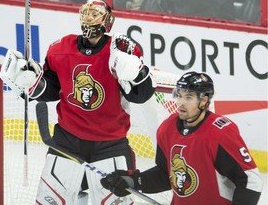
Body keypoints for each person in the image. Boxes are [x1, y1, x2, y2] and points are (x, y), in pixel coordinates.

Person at [0, 0, 155, 204]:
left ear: (107, 20)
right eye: (86, 13)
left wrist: (135, 71)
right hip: (67, 142)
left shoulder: (119, 51)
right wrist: (30, 82)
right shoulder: (61, 48)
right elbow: (51, 90)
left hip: (110, 145)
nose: (89, 18)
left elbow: (141, 95)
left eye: (95, 14)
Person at [101, 71, 264, 205]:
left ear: (204, 101)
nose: (180, 103)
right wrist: (133, 181)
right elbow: (166, 175)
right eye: (179, 96)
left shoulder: (220, 133)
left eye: (188, 97)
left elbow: (251, 180)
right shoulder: (167, 129)